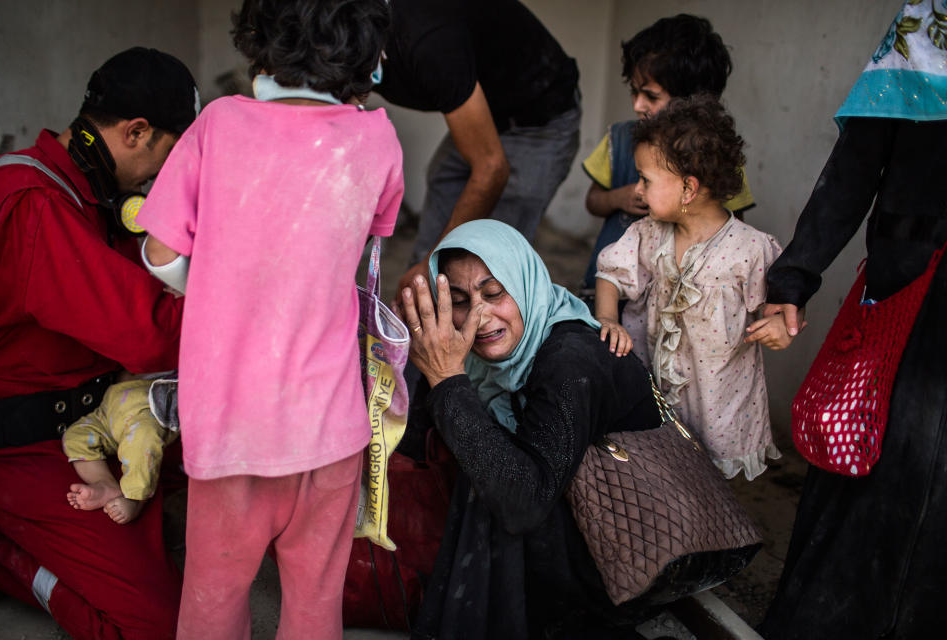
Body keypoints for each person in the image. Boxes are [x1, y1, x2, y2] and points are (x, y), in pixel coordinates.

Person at [135, 1, 404, 637]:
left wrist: (213, 288)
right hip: (331, 429)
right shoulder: (379, 139)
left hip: (232, 432)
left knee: (212, 601)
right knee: (315, 605)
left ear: (261, 41)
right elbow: (364, 238)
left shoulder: (219, 124)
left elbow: (160, 251)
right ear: (368, 53)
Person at [0, 48, 197, 639]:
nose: (166, 179)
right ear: (136, 132)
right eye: (168, 158)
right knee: (156, 626)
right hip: (28, 444)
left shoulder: (86, 191)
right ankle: (5, 556)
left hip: (96, 409)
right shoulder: (36, 202)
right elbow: (150, 333)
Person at [759, 3, 947, 637]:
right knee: (870, 461)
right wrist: (794, 276)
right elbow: (855, 166)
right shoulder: (926, 26)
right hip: (909, 293)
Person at [397, 219, 664, 639]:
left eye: (493, 293)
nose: (479, 318)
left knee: (491, 467)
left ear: (524, 282)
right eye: (461, 301)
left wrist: (447, 380)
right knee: (477, 441)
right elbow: (415, 446)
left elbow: (522, 502)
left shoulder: (570, 360)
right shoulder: (469, 351)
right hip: (564, 523)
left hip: (632, 553)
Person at [594, 96, 790, 480]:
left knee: (712, 482)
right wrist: (607, 317)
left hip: (720, 400)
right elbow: (610, 274)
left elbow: (780, 307)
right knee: (661, 471)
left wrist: (779, 327)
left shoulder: (750, 249)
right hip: (659, 386)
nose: (637, 190)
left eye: (646, 180)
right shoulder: (649, 234)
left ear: (688, 189)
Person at [375, 0, 582, 300]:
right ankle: (422, 307)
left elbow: (491, 168)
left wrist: (431, 264)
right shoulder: (333, 43)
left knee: (490, 264)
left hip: (542, 118)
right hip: (492, 110)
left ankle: (467, 326)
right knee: (444, 184)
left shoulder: (427, 39)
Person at [580, 14, 755, 302]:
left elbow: (735, 227)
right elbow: (592, 200)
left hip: (678, 301)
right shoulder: (621, 138)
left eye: (650, 95)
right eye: (634, 92)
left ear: (692, 100)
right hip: (612, 294)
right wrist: (618, 199)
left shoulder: (718, 155)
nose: (638, 105)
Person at [63, 378, 178, 524]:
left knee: (143, 443)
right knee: (75, 437)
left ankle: (134, 499)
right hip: (114, 403)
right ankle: (104, 482)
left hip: (151, 411)